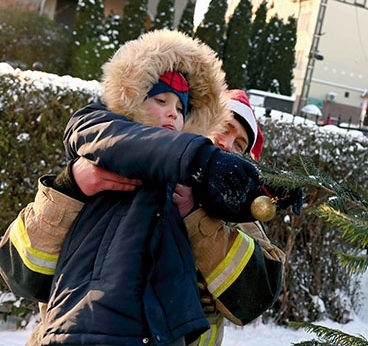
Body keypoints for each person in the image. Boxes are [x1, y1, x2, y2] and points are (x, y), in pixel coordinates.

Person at [0, 30, 272, 345]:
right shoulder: (97, 162)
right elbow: (19, 273)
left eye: (240, 144)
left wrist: (195, 217)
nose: (225, 143)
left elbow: (252, 300)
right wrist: (70, 188)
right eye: (224, 129)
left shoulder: (233, 216)